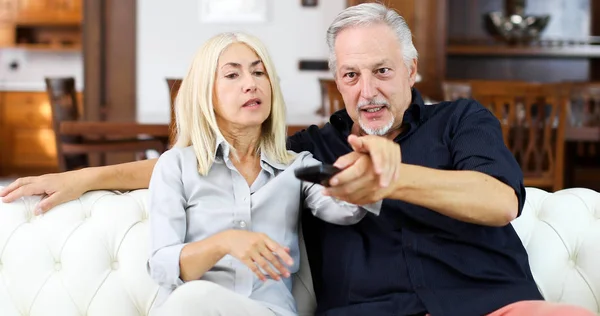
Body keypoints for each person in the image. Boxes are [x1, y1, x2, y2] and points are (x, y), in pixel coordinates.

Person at [0, 3, 594, 316]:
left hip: (493, 308)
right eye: (352, 75)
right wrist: (88, 175)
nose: (368, 91)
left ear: (412, 70)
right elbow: (209, 158)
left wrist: (393, 178)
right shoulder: (310, 151)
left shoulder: (462, 122)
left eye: (383, 71)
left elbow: (498, 201)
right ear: (337, 81)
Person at [147, 32, 382, 316]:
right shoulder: (175, 166)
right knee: (194, 298)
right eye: (232, 75)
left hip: (269, 311)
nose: (251, 84)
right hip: (195, 308)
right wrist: (225, 242)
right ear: (205, 93)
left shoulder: (299, 166)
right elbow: (162, 267)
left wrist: (365, 169)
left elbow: (346, 209)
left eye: (259, 72)